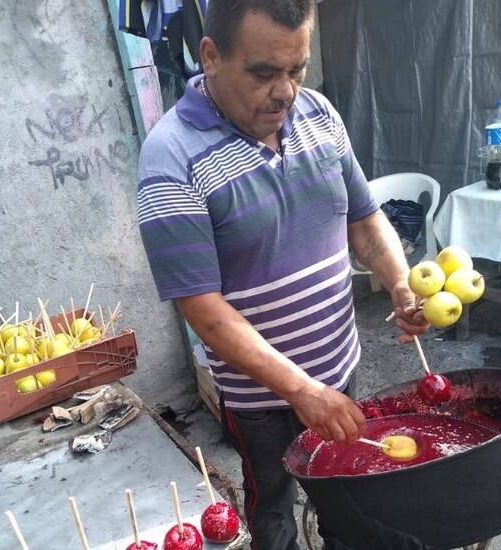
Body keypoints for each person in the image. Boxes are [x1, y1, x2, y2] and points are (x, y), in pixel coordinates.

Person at [134, 1, 427, 547]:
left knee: (346, 491)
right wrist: (300, 390)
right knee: (272, 506)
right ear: (211, 55)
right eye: (264, 72)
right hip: (259, 400)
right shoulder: (170, 159)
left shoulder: (319, 114)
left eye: (298, 69)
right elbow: (202, 308)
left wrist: (401, 282)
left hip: (340, 369)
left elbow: (365, 221)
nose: (286, 91)